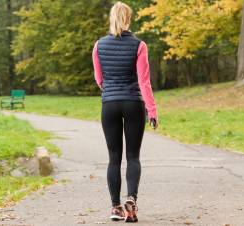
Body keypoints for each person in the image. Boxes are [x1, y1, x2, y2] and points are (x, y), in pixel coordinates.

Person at [92, 1, 158, 223]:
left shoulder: (98, 46)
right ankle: (131, 200)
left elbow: (99, 79)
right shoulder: (139, 45)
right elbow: (144, 81)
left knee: (114, 158)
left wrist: (111, 90)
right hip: (133, 103)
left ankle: (115, 207)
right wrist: (152, 110)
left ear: (111, 18)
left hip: (109, 104)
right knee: (133, 156)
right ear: (128, 19)